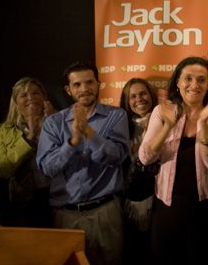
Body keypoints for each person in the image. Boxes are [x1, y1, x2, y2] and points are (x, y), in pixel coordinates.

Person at [37, 62, 129, 265]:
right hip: (66, 214)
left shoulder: (116, 116)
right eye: (77, 84)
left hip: (106, 211)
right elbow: (47, 168)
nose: (84, 89)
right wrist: (73, 143)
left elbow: (117, 156)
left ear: (99, 84)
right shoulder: (54, 123)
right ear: (68, 90)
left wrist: (88, 131)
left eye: (89, 82)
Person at [139, 56, 208, 264]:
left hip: (206, 208)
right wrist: (168, 126)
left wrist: (204, 121)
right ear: (178, 83)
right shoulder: (162, 111)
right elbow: (145, 157)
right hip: (167, 208)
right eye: (188, 78)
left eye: (201, 80)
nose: (194, 85)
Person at [0, 77, 55, 227]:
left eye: (36, 93)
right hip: (23, 205)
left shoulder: (59, 122)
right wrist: (29, 137)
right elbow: (2, 169)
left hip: (58, 199)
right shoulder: (6, 131)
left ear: (44, 97)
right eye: (23, 95)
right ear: (15, 102)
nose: (30, 98)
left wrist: (54, 121)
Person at [119, 78, 158, 263]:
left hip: (159, 200)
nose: (139, 99)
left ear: (151, 95)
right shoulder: (122, 127)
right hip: (132, 201)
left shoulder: (166, 120)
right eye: (132, 96)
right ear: (127, 102)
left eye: (143, 93)